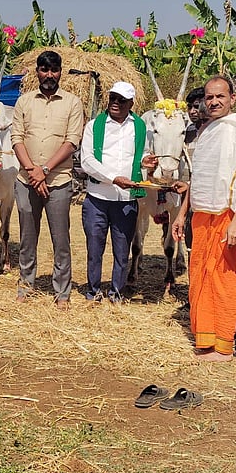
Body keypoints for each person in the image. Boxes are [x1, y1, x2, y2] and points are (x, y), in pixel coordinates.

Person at [171, 75, 236, 361]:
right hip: (200, 216)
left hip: (226, 216)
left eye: (220, 97)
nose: (213, 102)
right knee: (199, 275)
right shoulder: (206, 131)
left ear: (232, 98)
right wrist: (181, 214)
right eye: (209, 97)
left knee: (223, 279)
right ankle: (204, 337)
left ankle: (223, 344)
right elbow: (197, 179)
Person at [11, 51, 85, 308]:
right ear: (37, 71)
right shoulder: (24, 102)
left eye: (54, 70)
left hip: (59, 181)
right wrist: (32, 170)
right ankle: (25, 285)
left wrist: (44, 169)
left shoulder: (73, 103)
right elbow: (17, 139)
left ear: (61, 72)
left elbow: (72, 141)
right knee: (27, 238)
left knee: (61, 239)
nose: (49, 75)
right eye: (44, 70)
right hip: (26, 180)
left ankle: (62, 292)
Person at [79, 81, 150, 303]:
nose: (115, 104)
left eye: (121, 100)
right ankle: (93, 291)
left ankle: (117, 292)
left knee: (122, 250)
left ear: (131, 103)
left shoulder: (139, 127)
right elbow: (87, 161)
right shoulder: (94, 126)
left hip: (126, 200)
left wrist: (148, 162)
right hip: (98, 197)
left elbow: (143, 155)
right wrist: (114, 179)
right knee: (94, 248)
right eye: (112, 98)